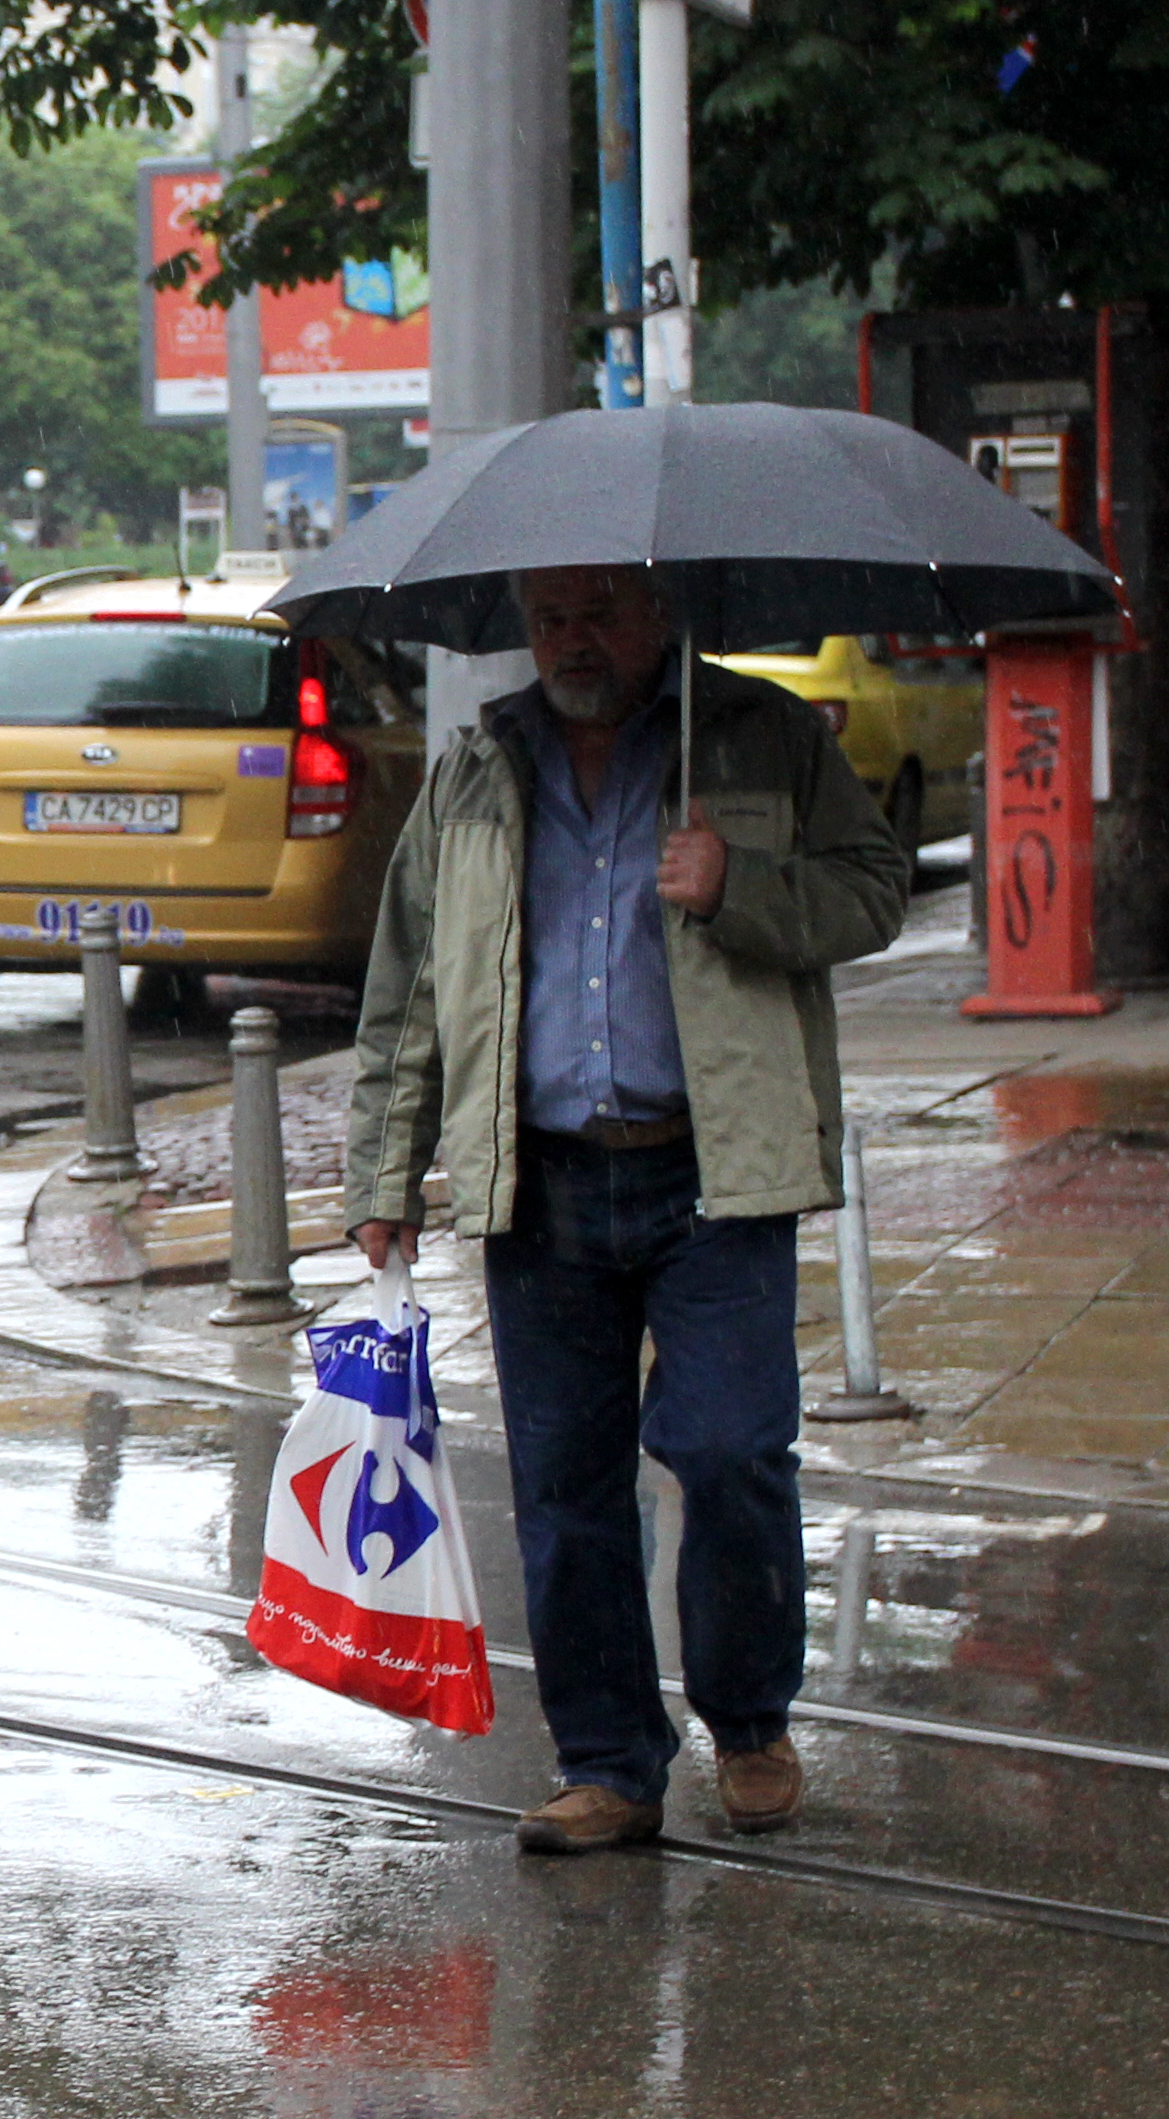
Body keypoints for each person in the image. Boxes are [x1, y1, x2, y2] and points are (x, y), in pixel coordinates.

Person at [342, 564, 908, 1855]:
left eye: (598, 613)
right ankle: (607, 1760)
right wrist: (386, 1177)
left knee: (728, 1452)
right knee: (565, 1486)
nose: (571, 642)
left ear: (659, 615)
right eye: (549, 618)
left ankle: (749, 1718)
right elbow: (410, 991)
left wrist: (742, 886)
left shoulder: (755, 738)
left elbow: (876, 887)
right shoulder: (475, 773)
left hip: (714, 1170)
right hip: (540, 1182)